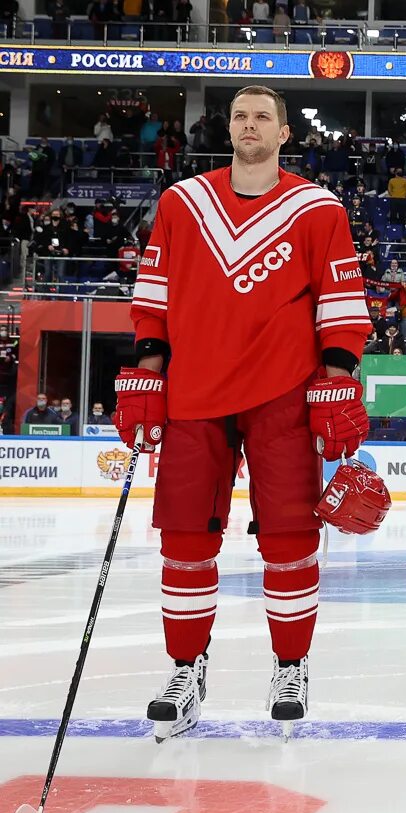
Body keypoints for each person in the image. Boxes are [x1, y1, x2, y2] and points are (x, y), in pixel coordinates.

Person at [113, 85, 371, 743]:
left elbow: (340, 301)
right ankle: (185, 668)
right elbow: (154, 296)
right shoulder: (183, 203)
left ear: (285, 133)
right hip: (195, 393)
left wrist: (337, 379)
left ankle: (290, 666)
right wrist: (148, 370)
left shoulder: (316, 208)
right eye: (239, 116)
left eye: (262, 117)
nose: (249, 125)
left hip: (283, 393)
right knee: (185, 541)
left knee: (289, 539)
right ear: (227, 128)